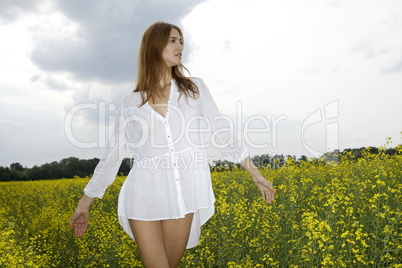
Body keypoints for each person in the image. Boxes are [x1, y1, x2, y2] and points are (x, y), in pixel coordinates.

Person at [70, 21, 276, 268]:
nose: (180, 46)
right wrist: (85, 203)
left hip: (183, 196)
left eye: (181, 42)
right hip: (142, 196)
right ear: (154, 46)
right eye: (173, 40)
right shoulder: (130, 102)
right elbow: (112, 155)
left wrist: (254, 172)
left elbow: (222, 132)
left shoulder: (194, 89)